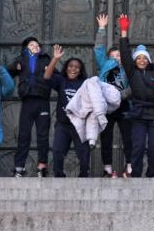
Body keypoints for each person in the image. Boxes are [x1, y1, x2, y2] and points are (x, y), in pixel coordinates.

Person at [119, 14, 154, 178]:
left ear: (148, 60)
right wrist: (124, 31)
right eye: (139, 58)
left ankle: (151, 173)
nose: (142, 60)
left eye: (144, 58)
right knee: (138, 146)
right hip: (138, 114)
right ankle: (136, 175)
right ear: (135, 61)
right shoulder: (132, 72)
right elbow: (125, 54)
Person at [7, 37, 52, 177]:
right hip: (27, 100)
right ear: (26, 48)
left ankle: (42, 166)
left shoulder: (45, 59)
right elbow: (8, 72)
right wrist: (15, 67)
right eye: (32, 44)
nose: (35, 46)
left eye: (37, 44)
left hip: (43, 100)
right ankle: (19, 167)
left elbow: (55, 75)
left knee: (43, 135)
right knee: (24, 135)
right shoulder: (21, 59)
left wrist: (49, 69)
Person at [43, 45, 90, 177]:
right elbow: (46, 76)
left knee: (84, 154)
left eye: (76, 67)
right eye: (70, 66)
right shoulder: (61, 80)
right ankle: (59, 177)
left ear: (80, 70)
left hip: (80, 125)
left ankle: (84, 177)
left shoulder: (85, 83)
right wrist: (55, 59)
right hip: (63, 124)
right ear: (66, 68)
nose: (73, 69)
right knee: (57, 151)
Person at [94, 14, 132, 178]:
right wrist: (102, 28)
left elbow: (133, 86)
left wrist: (121, 96)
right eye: (113, 56)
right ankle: (108, 168)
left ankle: (129, 165)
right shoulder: (105, 65)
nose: (116, 58)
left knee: (128, 136)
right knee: (106, 137)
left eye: (119, 55)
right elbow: (98, 49)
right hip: (107, 106)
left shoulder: (128, 68)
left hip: (124, 104)